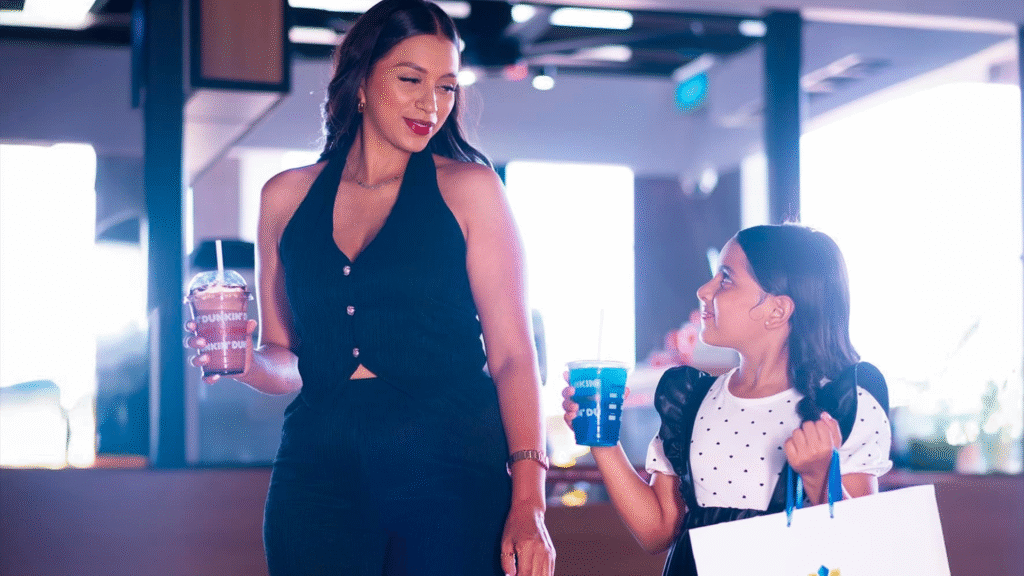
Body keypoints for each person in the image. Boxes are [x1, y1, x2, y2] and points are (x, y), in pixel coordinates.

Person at [185, 1, 555, 574]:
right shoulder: (284, 198)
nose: (431, 105)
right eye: (410, 80)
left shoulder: (472, 191)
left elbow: (511, 356)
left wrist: (529, 499)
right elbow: (290, 360)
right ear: (361, 79)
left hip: (450, 471)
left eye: (447, 87)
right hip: (317, 477)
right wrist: (241, 363)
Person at [561, 224, 891, 576]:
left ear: (777, 310)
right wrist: (601, 439)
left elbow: (856, 550)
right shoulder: (689, 399)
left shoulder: (842, 404)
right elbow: (657, 531)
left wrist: (821, 475)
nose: (704, 290)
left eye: (726, 279)